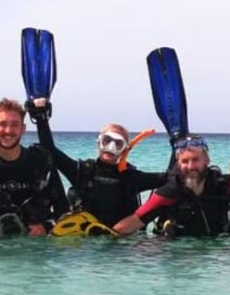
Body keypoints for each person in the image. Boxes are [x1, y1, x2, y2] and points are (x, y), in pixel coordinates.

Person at [26, 98, 167, 229]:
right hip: (86, 246)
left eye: (118, 144)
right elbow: (50, 150)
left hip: (122, 245)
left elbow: (170, 179)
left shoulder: (132, 178)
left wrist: (179, 146)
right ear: (98, 143)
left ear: (125, 149)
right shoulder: (82, 172)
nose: (111, 147)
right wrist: (41, 118)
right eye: (107, 140)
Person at [112, 135, 230, 238]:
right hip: (180, 254)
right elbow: (134, 221)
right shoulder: (168, 192)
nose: (191, 166)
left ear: (207, 160)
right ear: (178, 164)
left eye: (196, 160)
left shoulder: (222, 185)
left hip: (216, 252)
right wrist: (105, 240)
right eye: (185, 161)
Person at [0, 98, 68, 236]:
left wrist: (45, 227)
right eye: (2, 124)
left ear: (23, 129)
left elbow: (63, 210)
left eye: (14, 124)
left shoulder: (41, 162)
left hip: (37, 248)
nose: (8, 130)